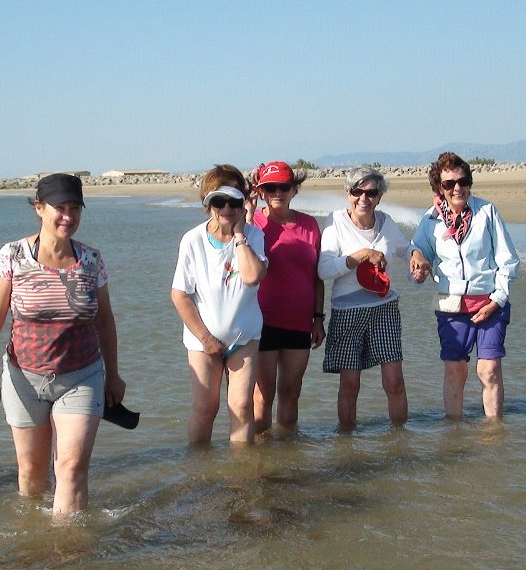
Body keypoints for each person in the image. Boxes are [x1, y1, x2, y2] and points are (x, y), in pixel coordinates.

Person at [0, 173, 126, 515]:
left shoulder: (91, 260)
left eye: (75, 208)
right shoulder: (12, 256)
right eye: (60, 208)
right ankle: (34, 538)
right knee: (32, 475)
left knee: (71, 469)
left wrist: (114, 375)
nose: (68, 217)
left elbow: (104, 321)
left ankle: (67, 543)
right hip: (23, 379)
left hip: (82, 376)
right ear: (39, 208)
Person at [409, 152, 520, 419]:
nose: (457, 188)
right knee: (455, 371)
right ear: (439, 188)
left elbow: (508, 260)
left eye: (463, 181)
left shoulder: (487, 212)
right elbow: (418, 250)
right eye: (449, 184)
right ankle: (453, 431)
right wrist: (418, 262)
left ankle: (494, 432)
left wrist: (497, 300)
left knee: (488, 369)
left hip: (490, 303)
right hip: (451, 305)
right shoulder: (430, 220)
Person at [171, 164, 268, 445]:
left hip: (244, 337)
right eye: (219, 201)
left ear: (243, 203)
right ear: (207, 204)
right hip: (202, 341)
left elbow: (252, 276)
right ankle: (199, 467)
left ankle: (241, 470)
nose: (226, 208)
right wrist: (206, 339)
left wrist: (239, 236)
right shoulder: (193, 240)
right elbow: (180, 295)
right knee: (205, 408)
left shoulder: (254, 236)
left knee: (241, 406)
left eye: (234, 202)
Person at [317, 168, 413, 429]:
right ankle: (346, 442)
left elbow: (405, 247)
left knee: (395, 381)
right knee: (350, 384)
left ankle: (400, 439)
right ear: (347, 194)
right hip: (347, 311)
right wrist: (360, 256)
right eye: (357, 191)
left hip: (384, 308)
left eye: (371, 193)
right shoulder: (335, 222)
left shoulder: (386, 222)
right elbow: (323, 270)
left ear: (379, 196)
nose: (363, 198)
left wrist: (415, 255)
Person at [246, 161, 325, 433]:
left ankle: (289, 450)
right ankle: (262, 454)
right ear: (261, 192)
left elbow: (317, 276)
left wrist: (318, 319)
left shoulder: (309, 225)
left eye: (284, 186)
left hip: (299, 322)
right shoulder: (251, 224)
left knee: (291, 392)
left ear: (294, 189)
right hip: (261, 323)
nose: (277, 193)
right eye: (270, 188)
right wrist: (247, 216)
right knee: (262, 396)